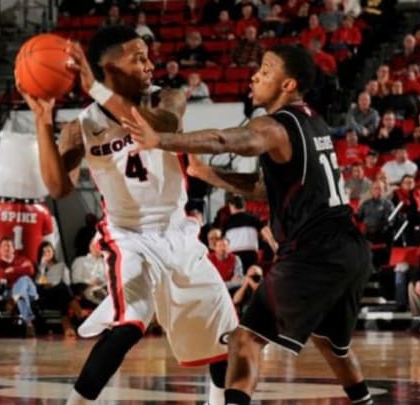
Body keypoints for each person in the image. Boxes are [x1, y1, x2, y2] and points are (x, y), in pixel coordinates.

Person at [123, 44, 374, 405]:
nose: (255, 75)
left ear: (288, 85)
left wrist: (159, 140)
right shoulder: (312, 121)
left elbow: (227, 139)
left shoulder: (276, 125)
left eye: (267, 70)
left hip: (315, 252)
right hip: (351, 250)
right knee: (332, 345)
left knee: (244, 340)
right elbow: (265, 189)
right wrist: (209, 174)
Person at [23, 26, 237, 405]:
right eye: (138, 58)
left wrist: (97, 90)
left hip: (179, 231)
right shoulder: (81, 127)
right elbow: (58, 188)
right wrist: (42, 121)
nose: (150, 64)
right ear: (108, 66)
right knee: (130, 322)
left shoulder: (168, 98)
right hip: (128, 236)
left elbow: (164, 127)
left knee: (223, 336)